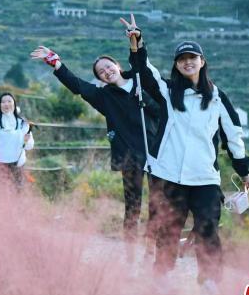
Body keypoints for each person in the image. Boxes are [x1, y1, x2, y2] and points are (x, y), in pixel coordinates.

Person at [122, 14, 249, 291]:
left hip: (204, 177)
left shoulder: (218, 97)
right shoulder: (167, 91)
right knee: (169, 228)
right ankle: (162, 276)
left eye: (192, 57)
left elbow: (233, 136)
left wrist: (244, 171)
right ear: (176, 64)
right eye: (182, 58)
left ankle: (210, 279)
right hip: (169, 174)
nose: (187, 62)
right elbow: (145, 73)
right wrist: (138, 43)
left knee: (208, 227)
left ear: (202, 61)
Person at [30, 36, 159, 243]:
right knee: (133, 206)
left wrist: (146, 98)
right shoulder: (103, 97)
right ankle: (130, 250)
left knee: (158, 204)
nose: (107, 72)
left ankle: (153, 248)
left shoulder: (140, 81)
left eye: (109, 66)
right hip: (129, 156)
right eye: (101, 72)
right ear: (100, 79)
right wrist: (54, 61)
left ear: (117, 65)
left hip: (155, 151)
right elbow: (77, 85)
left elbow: (160, 109)